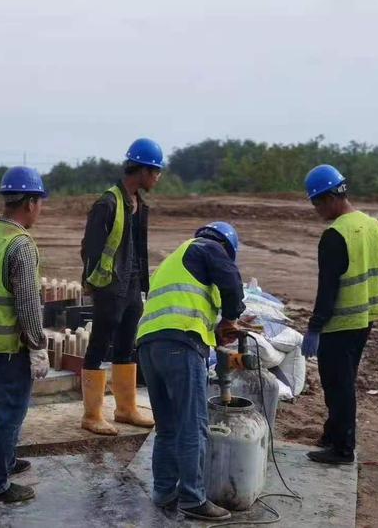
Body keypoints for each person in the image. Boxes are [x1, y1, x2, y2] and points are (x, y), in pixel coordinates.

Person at [136, 222, 245, 522]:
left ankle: (164, 492)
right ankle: (193, 498)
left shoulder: (176, 261)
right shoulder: (208, 247)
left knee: (167, 426)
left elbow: (182, 304)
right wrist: (231, 318)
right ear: (227, 247)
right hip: (180, 345)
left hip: (148, 346)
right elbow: (232, 281)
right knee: (192, 424)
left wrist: (213, 328)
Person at [0, 166, 51, 503]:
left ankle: (3, 460)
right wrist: (37, 346)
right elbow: (29, 305)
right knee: (10, 412)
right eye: (40, 201)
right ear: (30, 202)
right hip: (9, 344)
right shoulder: (20, 245)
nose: (40, 208)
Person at [301, 165, 378, 465]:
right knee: (343, 380)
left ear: (329, 198)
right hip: (364, 318)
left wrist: (315, 327)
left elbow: (328, 289)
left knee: (338, 385)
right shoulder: (371, 224)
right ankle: (332, 434)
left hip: (340, 323)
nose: (316, 210)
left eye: (316, 203)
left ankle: (343, 449)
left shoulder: (334, 235)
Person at [79, 138, 162, 435]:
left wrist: (141, 285)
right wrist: (97, 284)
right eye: (155, 171)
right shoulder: (108, 202)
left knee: (127, 345)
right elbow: (90, 247)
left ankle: (126, 409)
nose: (157, 177)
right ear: (140, 170)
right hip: (110, 287)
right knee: (99, 346)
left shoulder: (139, 204)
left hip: (131, 285)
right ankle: (91, 415)